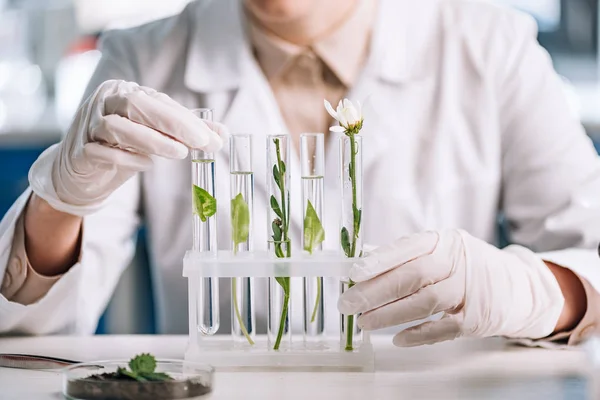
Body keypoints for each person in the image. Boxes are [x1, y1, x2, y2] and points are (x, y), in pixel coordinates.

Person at [0, 0, 598, 347]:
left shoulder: (490, 46)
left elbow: (591, 255)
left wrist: (536, 291)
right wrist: (62, 200)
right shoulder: (146, 58)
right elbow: (29, 327)